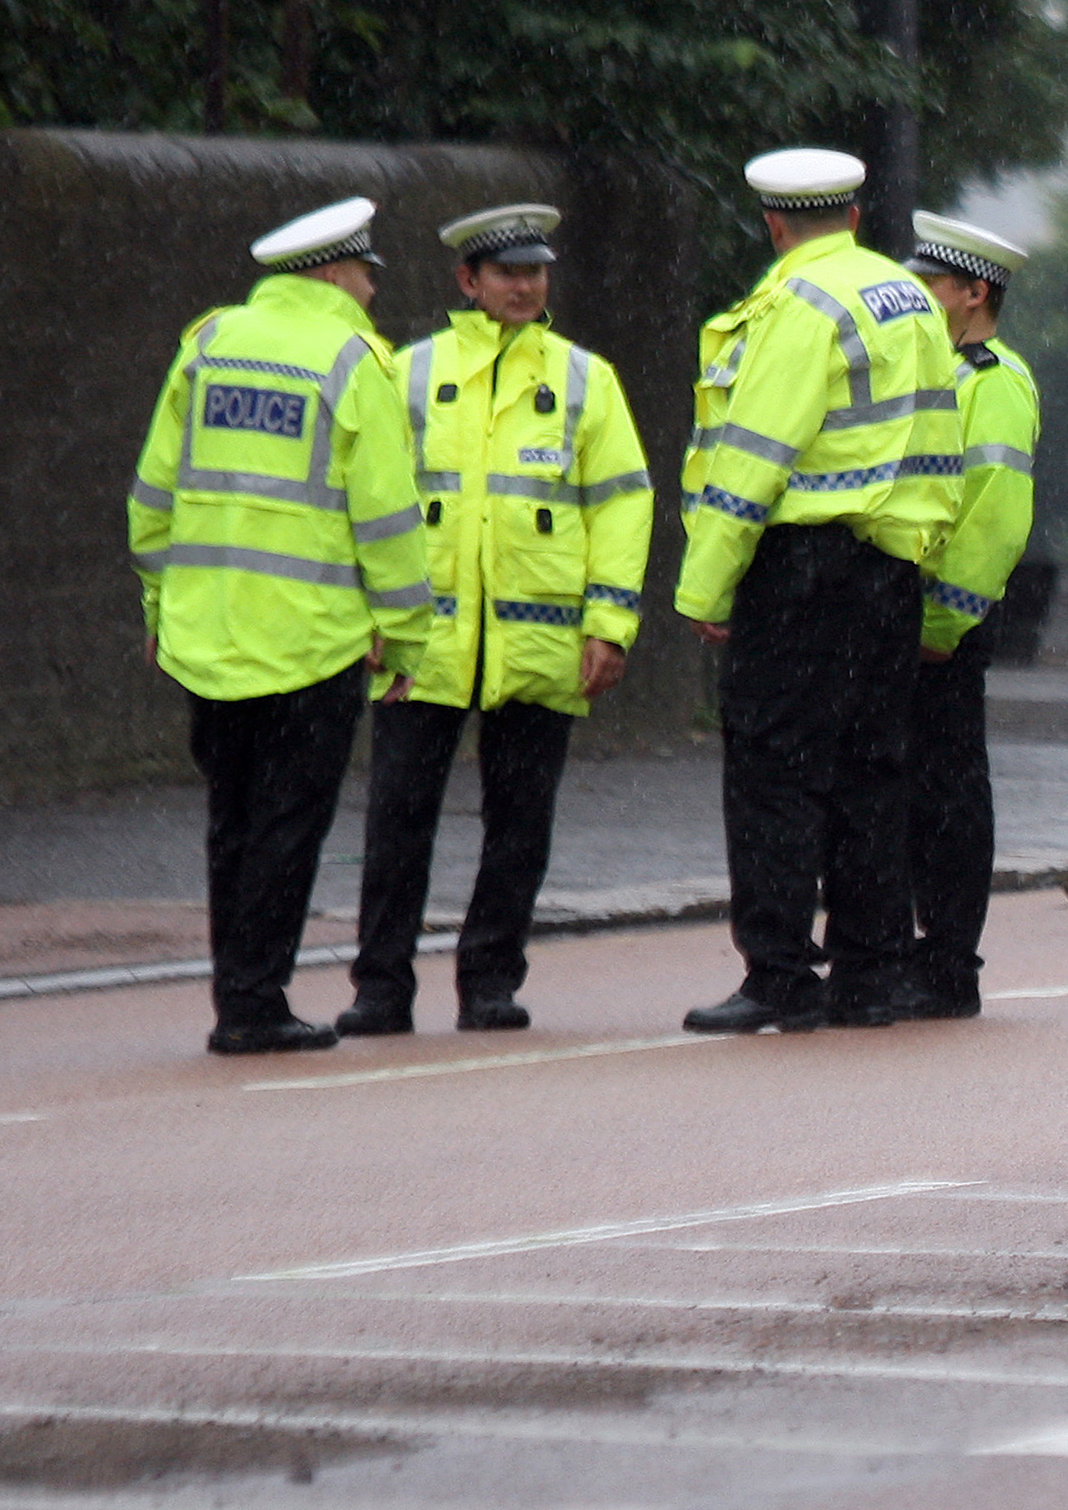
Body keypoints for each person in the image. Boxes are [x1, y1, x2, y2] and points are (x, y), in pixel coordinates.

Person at [128, 196, 435, 1055]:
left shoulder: (209, 345)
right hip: (314, 641)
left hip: (207, 634)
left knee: (230, 819)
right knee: (288, 824)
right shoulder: (352, 362)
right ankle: (256, 1002)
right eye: (367, 275)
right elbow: (387, 518)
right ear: (334, 273)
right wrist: (406, 636)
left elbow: (153, 495)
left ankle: (238, 992)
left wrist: (159, 607)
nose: (373, 291)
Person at [337, 205, 653, 1038]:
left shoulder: (585, 379)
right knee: (397, 823)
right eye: (507, 272)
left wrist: (609, 622)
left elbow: (622, 504)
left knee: (520, 827)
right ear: (467, 281)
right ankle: (380, 987)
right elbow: (365, 502)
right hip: (421, 642)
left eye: (535, 271)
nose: (524, 285)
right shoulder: (407, 372)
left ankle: (489, 981)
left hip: (539, 642)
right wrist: (368, 613)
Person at [677, 150, 963, 1034]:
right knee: (871, 772)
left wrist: (708, 588)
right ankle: (871, 972)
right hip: (888, 569)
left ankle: (780, 975)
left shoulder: (798, 307)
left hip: (799, 569)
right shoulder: (909, 297)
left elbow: (754, 457)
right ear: (855, 212)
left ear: (773, 223)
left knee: (775, 775)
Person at [898, 212, 1042, 1019]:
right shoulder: (931, 374)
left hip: (941, 631)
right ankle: (910, 954)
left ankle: (949, 960)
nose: (916, 296)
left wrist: (941, 627)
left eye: (928, 284)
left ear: (972, 292)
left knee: (947, 792)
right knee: (908, 789)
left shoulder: (991, 383)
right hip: (904, 621)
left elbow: (992, 520)